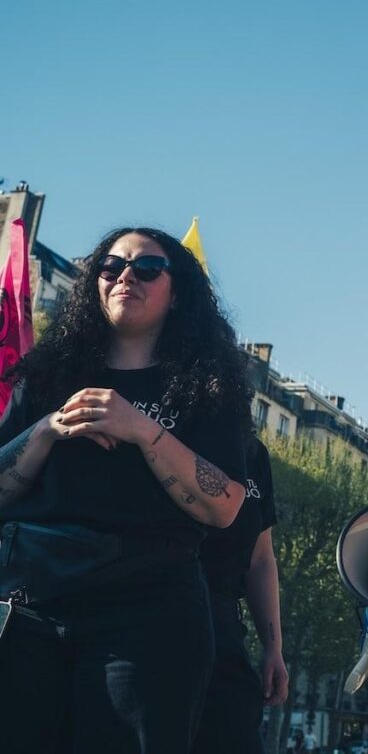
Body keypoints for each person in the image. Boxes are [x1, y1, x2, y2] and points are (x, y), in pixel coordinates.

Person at [0, 227, 251, 752]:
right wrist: (45, 429)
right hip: (31, 606)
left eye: (147, 268)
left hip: (146, 616)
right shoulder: (46, 374)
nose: (125, 277)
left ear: (177, 293)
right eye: (111, 267)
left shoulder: (209, 385)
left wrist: (140, 428)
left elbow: (225, 506)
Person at [192, 435, 288, 753]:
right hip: (158, 608)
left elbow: (261, 557)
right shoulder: (166, 424)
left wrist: (273, 648)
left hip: (224, 624)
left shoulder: (253, 452)